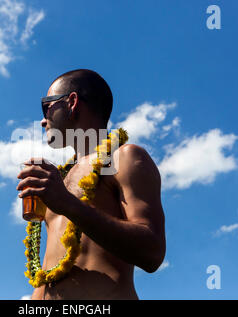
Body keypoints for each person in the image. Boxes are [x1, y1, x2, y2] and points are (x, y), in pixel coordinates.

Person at [16, 69, 166, 299]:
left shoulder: (123, 158)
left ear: (72, 102)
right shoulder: (61, 177)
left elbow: (152, 252)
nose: (43, 120)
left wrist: (68, 203)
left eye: (46, 107)